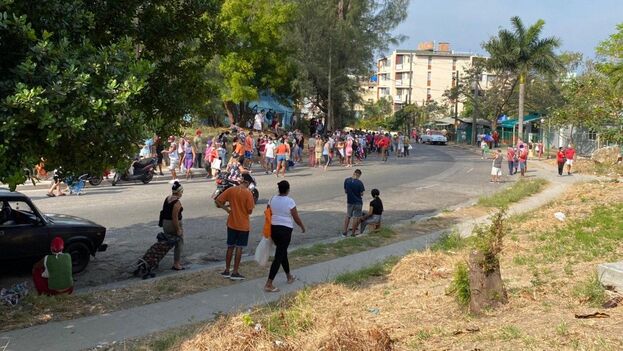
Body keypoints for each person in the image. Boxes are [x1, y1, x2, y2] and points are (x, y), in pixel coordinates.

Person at [263, 180, 305, 292]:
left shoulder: (272, 199)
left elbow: (268, 212)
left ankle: (289, 276)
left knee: (282, 252)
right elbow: (295, 217)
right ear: (287, 190)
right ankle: (269, 283)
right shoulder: (290, 201)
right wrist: (302, 226)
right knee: (279, 256)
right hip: (285, 229)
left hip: (274, 228)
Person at [215, 173, 256, 281]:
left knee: (230, 247)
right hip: (243, 225)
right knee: (239, 248)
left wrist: (227, 209)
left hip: (231, 223)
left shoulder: (231, 190)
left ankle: (227, 270)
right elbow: (250, 211)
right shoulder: (248, 194)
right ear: (247, 182)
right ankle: (235, 271)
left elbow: (217, 201)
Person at [160, 181, 185, 270]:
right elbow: (175, 218)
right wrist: (178, 229)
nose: (182, 193)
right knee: (179, 243)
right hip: (172, 224)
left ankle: (156, 257)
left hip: (165, 224)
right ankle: (176, 264)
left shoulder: (168, 198)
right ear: (179, 191)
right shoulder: (177, 203)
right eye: (182, 191)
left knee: (166, 243)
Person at [343, 169, 365, 237]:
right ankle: (353, 233)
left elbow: (345, 191)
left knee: (348, 216)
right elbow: (362, 193)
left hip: (350, 201)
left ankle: (344, 232)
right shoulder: (360, 183)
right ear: (359, 175)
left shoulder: (347, 180)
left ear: (354, 173)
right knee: (356, 217)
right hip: (358, 202)